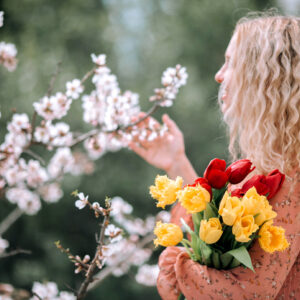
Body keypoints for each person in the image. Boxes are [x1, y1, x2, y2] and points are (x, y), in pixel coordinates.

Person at [129, 14, 300, 300]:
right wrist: (176, 163)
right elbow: (217, 238)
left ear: (262, 75)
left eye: (231, 62)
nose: (219, 75)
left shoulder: (290, 174)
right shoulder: (275, 162)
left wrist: (176, 265)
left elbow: (248, 292)